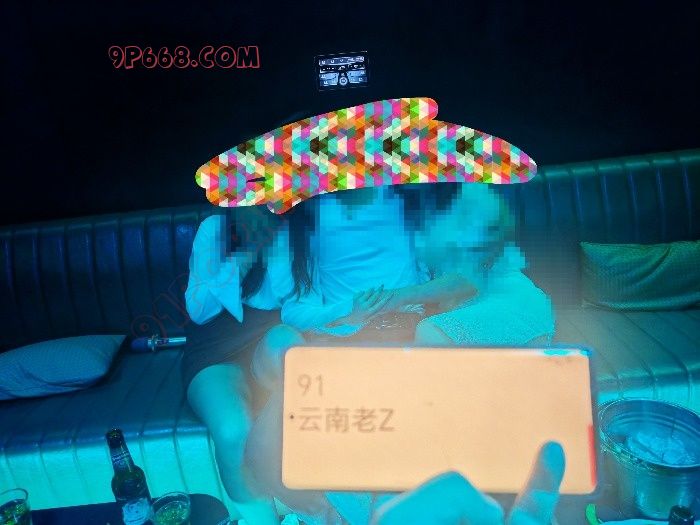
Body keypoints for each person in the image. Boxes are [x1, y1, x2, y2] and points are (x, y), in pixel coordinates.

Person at [182, 205, 295, 525]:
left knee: (308, 410)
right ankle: (264, 521)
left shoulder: (299, 226)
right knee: (233, 431)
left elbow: (292, 297)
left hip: (274, 332)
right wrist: (245, 256)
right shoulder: (214, 230)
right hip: (215, 347)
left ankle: (314, 511)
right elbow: (199, 311)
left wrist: (276, 240)